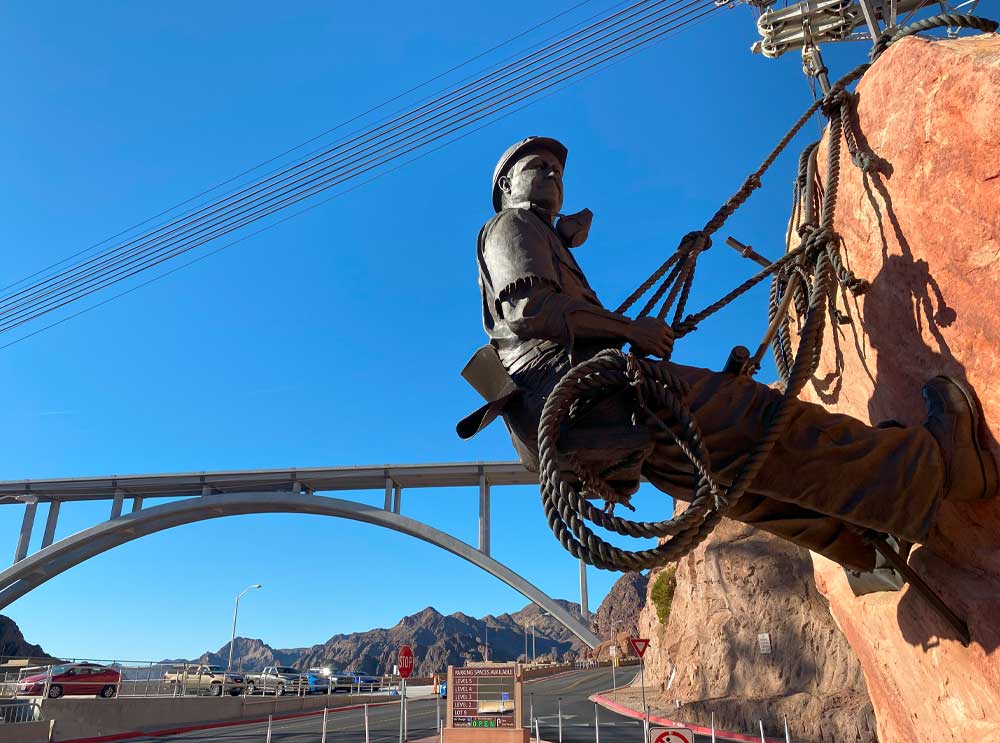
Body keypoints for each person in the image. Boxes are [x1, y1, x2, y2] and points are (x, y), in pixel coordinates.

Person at [457, 136, 998, 573]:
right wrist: (633, 331)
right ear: (507, 186)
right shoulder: (510, 225)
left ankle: (861, 545)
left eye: (557, 168)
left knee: (732, 477)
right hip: (593, 399)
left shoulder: (539, 233)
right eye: (538, 167)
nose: (553, 174)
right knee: (758, 420)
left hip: (583, 424)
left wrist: (562, 234)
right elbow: (531, 310)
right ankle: (940, 467)